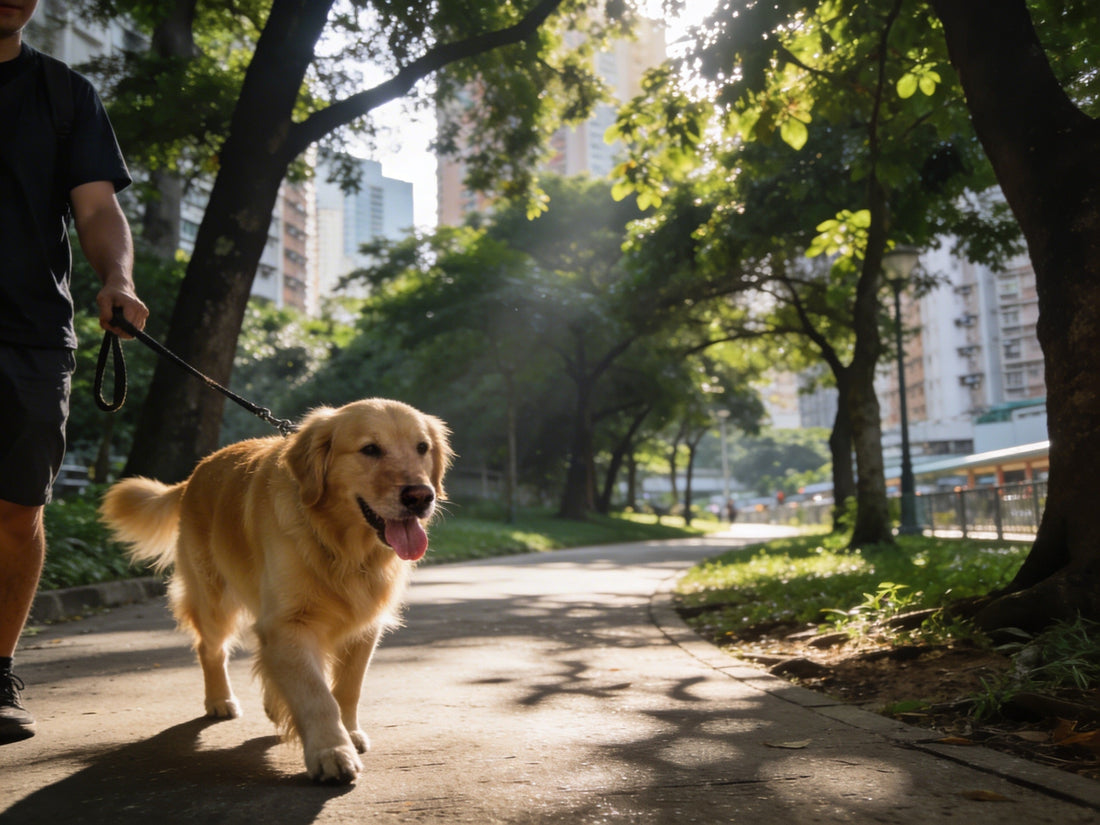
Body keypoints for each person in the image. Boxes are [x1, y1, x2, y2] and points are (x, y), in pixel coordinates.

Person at [0, 0, 149, 745]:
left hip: (29, 334)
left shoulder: (64, 94)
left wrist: (117, 277)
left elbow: (95, 208)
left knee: (17, 510)